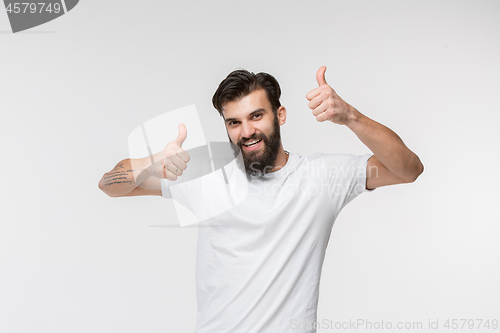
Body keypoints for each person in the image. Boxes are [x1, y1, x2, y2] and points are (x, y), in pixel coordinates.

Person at [98, 66, 423, 332]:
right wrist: (149, 163)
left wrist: (351, 116)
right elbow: (110, 185)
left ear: (280, 115)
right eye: (234, 122)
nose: (246, 131)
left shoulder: (321, 178)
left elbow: (408, 169)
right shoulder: (205, 177)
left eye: (256, 116)